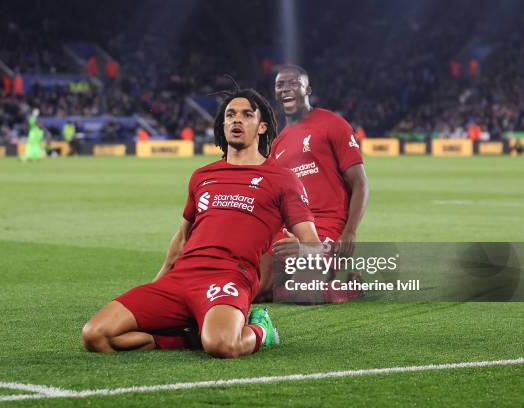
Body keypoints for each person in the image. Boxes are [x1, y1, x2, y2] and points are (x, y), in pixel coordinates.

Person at [82, 88, 321, 358]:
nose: (236, 120)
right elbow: (181, 240)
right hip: (180, 278)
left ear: (262, 126)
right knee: (96, 336)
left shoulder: (282, 179)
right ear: (222, 124)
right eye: (230, 115)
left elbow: (312, 241)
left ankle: (261, 328)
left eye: (246, 115)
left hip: (230, 277)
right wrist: (155, 286)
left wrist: (300, 253)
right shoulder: (202, 176)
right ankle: (187, 340)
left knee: (221, 345)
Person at [257, 65, 370, 303]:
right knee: (259, 289)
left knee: (305, 292)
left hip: (327, 226)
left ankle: (350, 284)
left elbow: (360, 183)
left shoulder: (333, 124)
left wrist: (349, 232)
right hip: (290, 229)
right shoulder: (278, 143)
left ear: (307, 89)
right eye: (280, 85)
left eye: (293, 83)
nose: (286, 89)